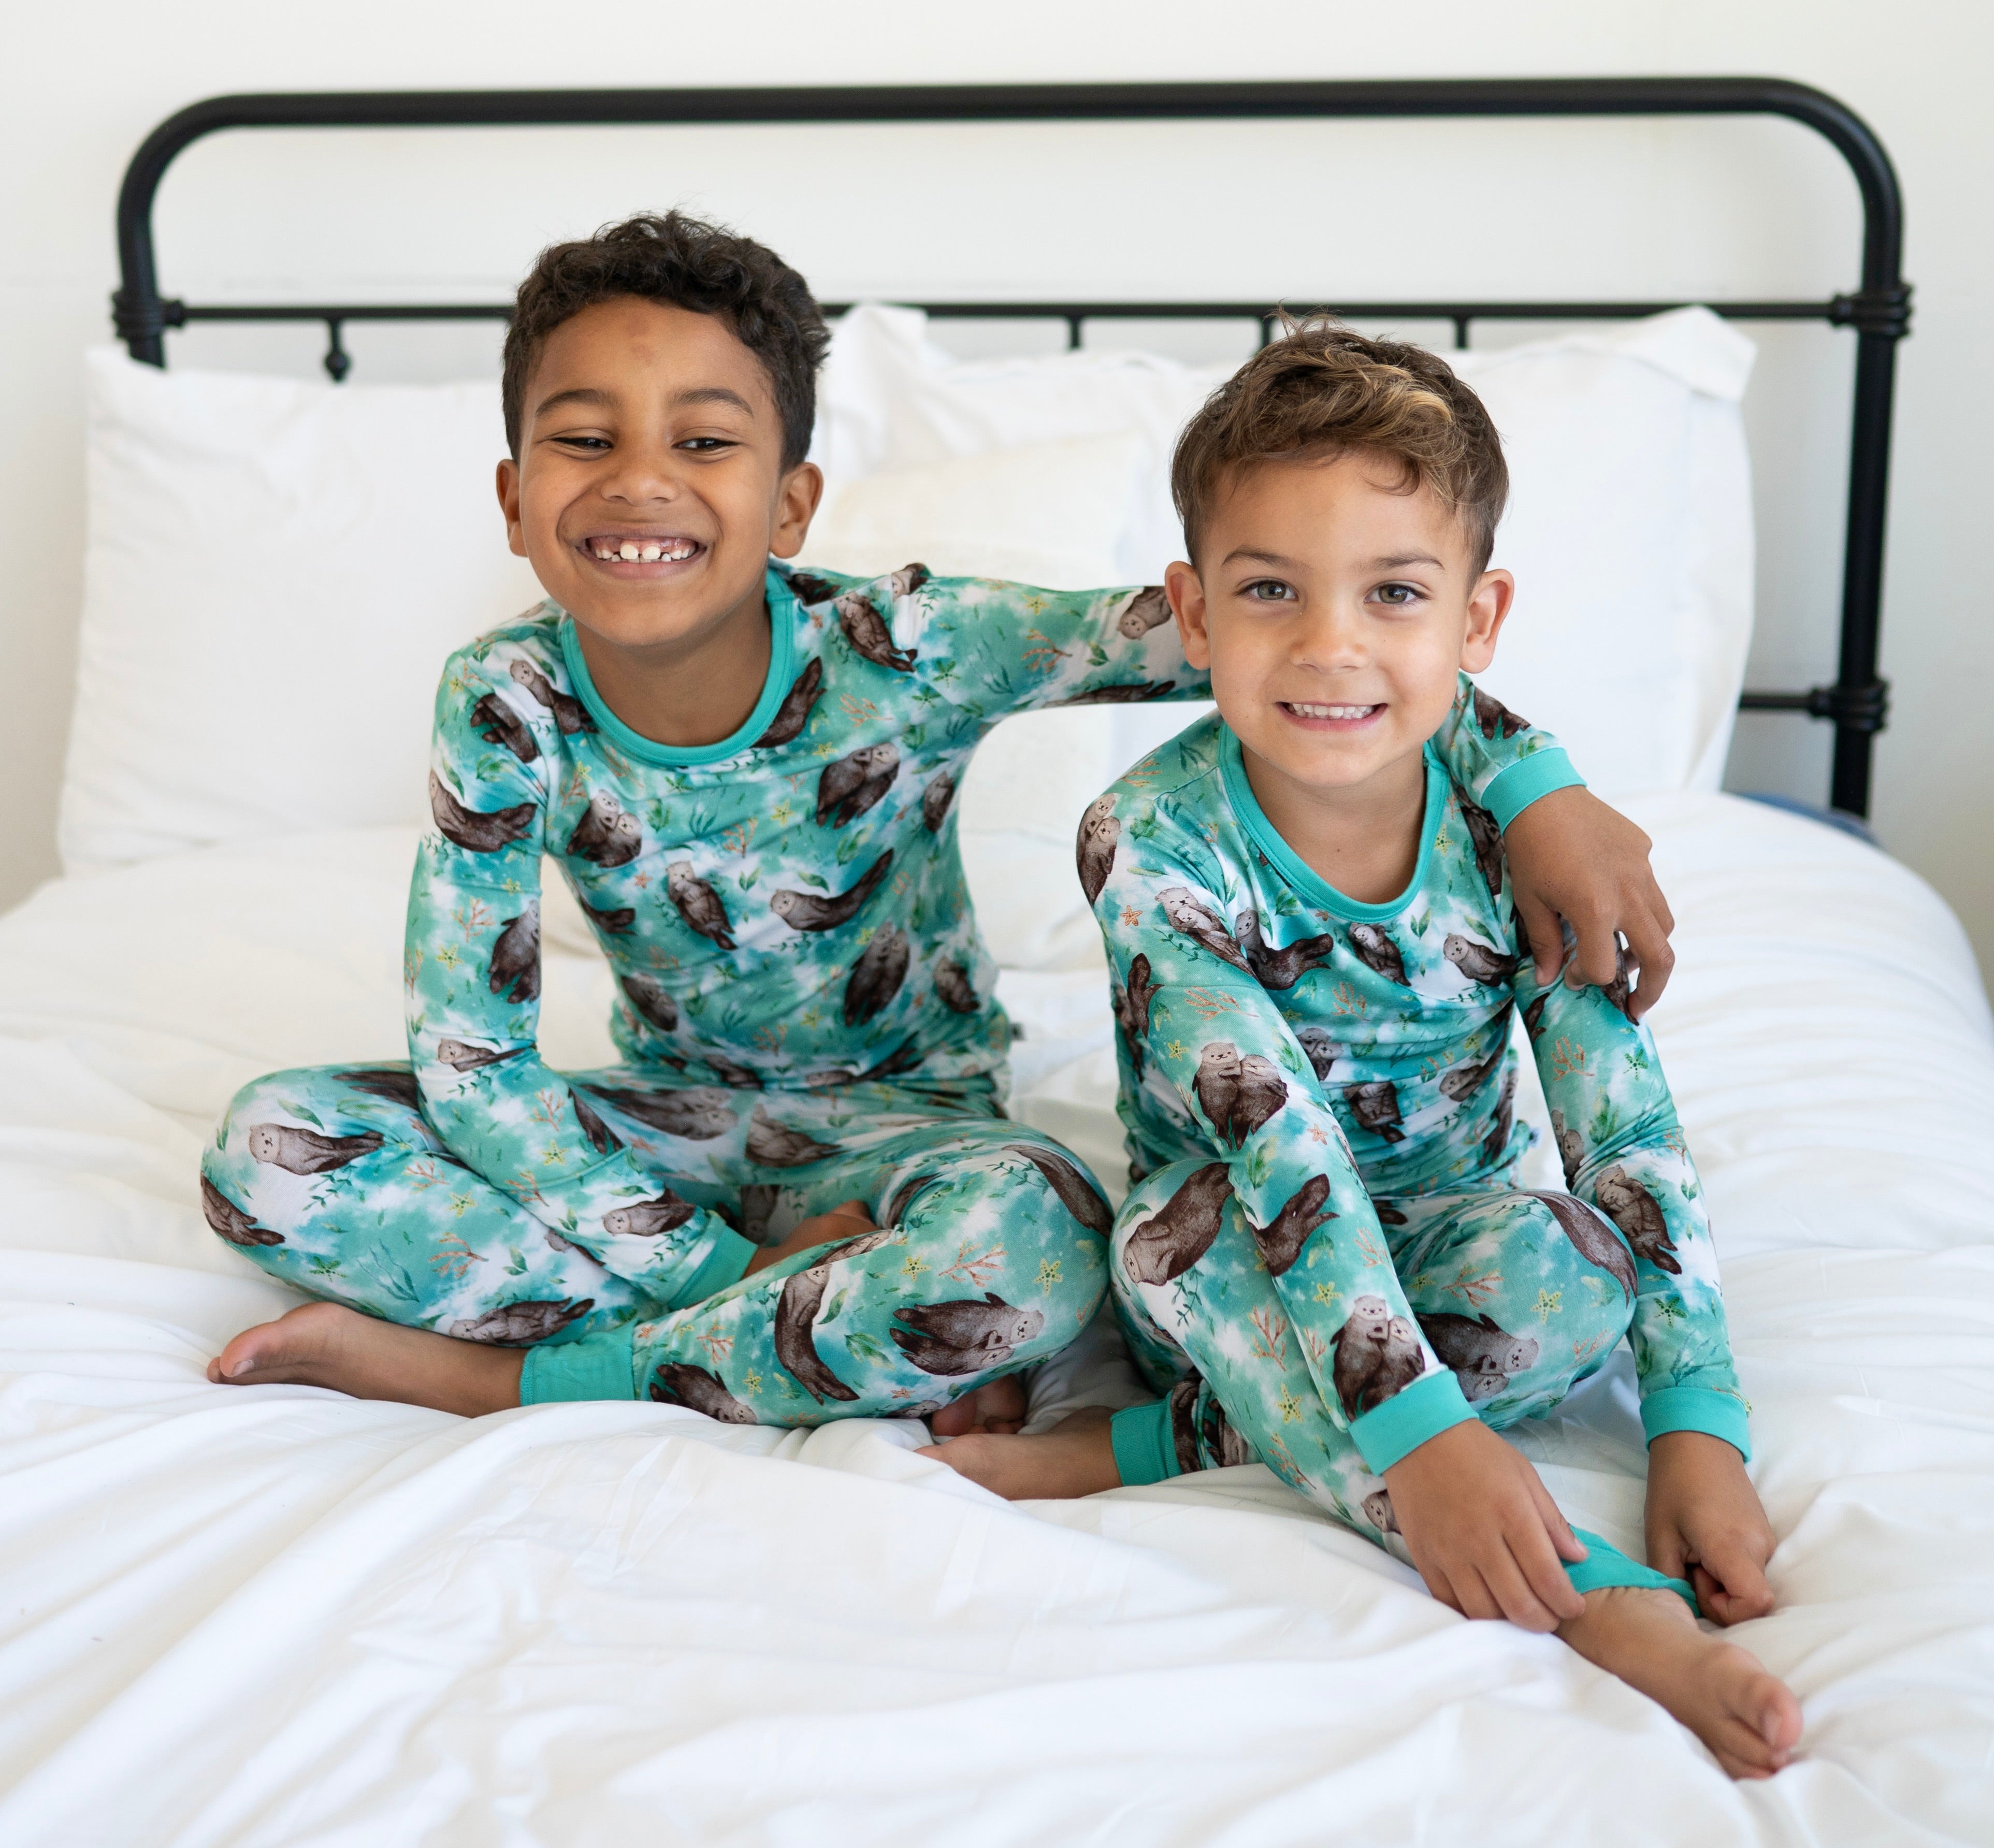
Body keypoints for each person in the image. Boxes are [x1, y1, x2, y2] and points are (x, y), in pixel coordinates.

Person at [200, 214, 1671, 1451]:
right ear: (516, 500)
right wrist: (717, 1258)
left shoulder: (903, 647)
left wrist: (1533, 781)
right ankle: (836, 1336)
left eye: (703, 440)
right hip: (669, 1126)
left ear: (790, 503)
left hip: (918, 1132)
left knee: (1037, 1241)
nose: (641, 480)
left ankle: (530, 1375)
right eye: (586, 439)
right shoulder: (503, 698)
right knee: (269, 1151)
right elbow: (476, 1067)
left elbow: (1289, 651)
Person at [927, 319, 1801, 1779]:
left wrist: (1695, 1426)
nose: (1330, 645)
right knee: (1167, 1243)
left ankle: (1170, 1443)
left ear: (1478, 618)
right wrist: (1419, 1436)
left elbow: (1619, 1116)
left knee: (1575, 1267)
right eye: (1269, 589)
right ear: (1193, 613)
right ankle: (1598, 1603)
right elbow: (1278, 1142)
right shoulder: (1149, 840)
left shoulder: (1519, 833)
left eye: (1394, 591)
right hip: (1237, 1238)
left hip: (1450, 1228)